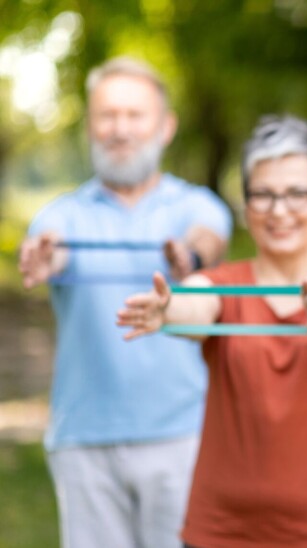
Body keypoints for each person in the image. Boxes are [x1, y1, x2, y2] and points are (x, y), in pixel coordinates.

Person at [116, 114, 307, 547]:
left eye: (297, 194)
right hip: (219, 531)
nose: (279, 210)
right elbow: (196, 301)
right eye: (263, 195)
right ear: (246, 208)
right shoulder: (225, 283)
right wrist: (169, 308)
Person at [17, 57, 232, 548]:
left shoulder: (196, 206)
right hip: (83, 441)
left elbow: (209, 238)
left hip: (184, 437)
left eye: (135, 115)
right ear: (90, 126)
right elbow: (53, 247)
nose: (120, 129)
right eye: (107, 116)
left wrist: (190, 256)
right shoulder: (62, 214)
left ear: (165, 126)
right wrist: (45, 259)